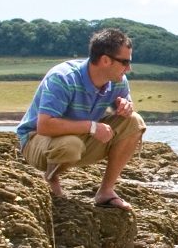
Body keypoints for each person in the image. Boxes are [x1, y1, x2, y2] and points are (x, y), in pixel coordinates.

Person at [15, 28, 145, 210]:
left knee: (134, 121)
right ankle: (51, 178)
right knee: (71, 145)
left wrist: (125, 107)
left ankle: (106, 192)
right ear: (106, 60)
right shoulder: (63, 78)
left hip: (78, 137)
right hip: (36, 140)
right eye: (125, 62)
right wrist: (92, 127)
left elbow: (124, 110)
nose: (129, 68)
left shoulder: (118, 81)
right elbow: (44, 126)